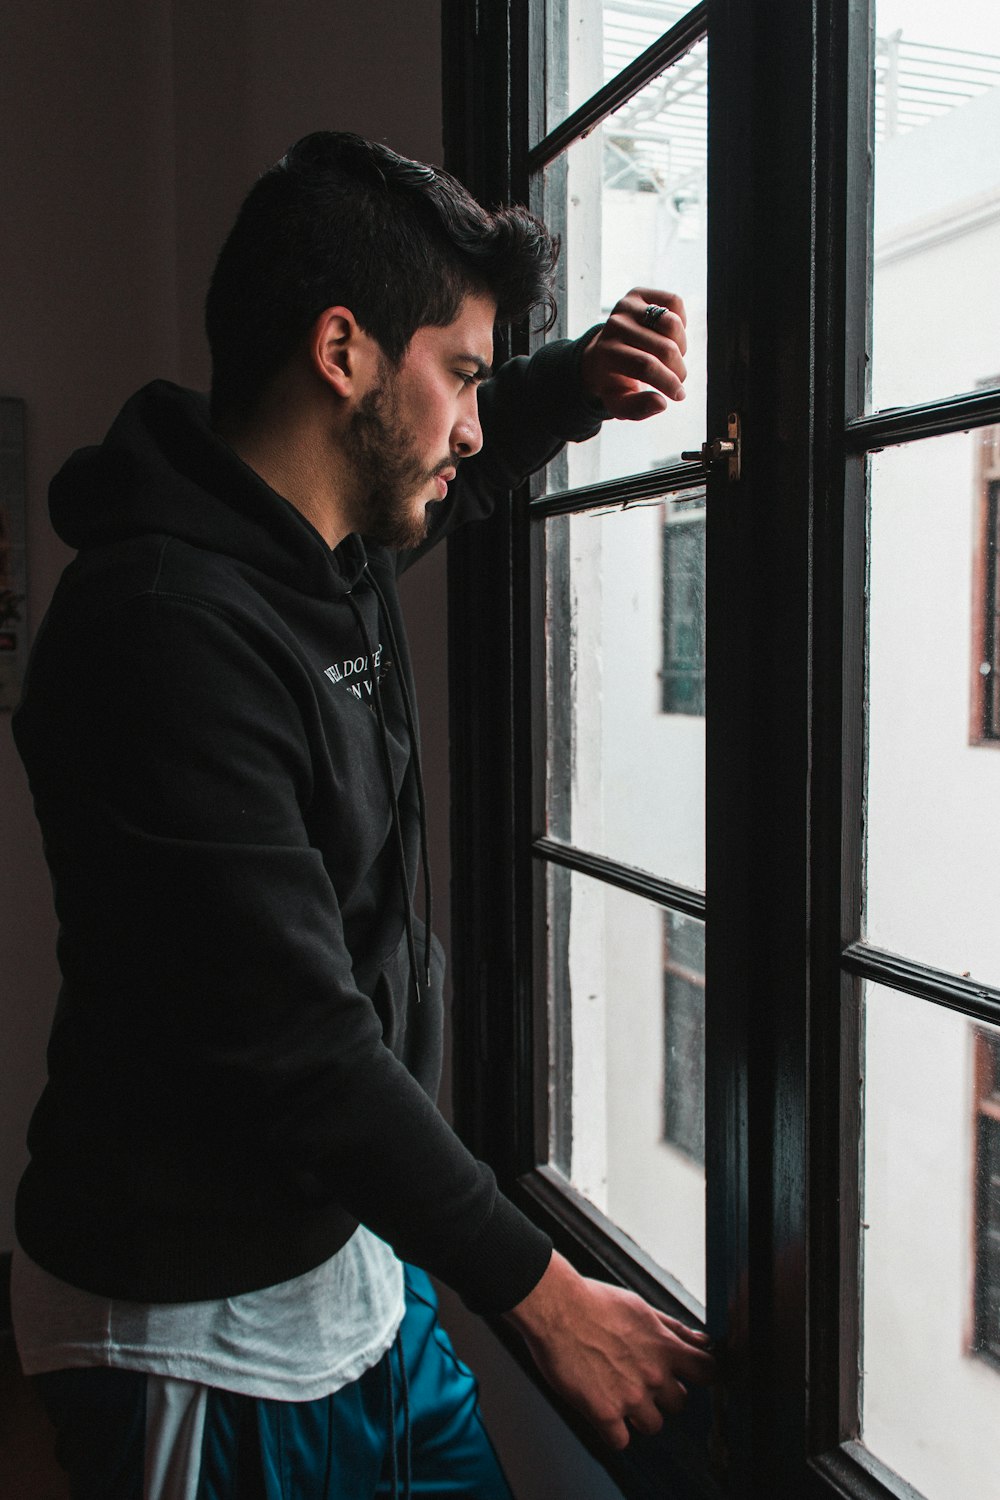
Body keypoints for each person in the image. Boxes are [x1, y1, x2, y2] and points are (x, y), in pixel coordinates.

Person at [10, 131, 712, 1498]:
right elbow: (299, 1042)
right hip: (197, 1328)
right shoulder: (161, 630)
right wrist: (544, 1296)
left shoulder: (311, 549)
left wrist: (571, 388)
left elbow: (469, 464)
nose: (469, 418)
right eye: (459, 371)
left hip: (350, 1262)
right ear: (342, 352)